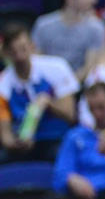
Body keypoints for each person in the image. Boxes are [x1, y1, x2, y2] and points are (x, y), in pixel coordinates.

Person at [0, 23, 78, 163]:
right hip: (23, 143)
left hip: (56, 138)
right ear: (5, 53)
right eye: (13, 50)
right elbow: (5, 133)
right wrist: (15, 144)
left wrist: (48, 103)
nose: (19, 56)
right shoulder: (3, 84)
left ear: (32, 46)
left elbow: (70, 115)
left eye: (23, 48)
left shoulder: (57, 68)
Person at [31, 0, 105, 77]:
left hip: (79, 86)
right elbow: (36, 60)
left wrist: (67, 87)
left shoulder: (96, 28)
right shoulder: (43, 25)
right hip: (46, 83)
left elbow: (89, 67)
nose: (94, 0)